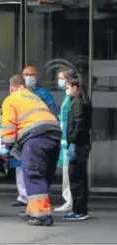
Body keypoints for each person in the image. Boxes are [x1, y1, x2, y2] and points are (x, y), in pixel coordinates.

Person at [0, 74, 62, 226]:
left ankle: (42, 216)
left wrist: (6, 147)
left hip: (35, 137)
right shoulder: (34, 97)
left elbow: (9, 126)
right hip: (54, 134)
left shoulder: (10, 100)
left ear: (12, 88)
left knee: (33, 174)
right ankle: (33, 210)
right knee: (43, 175)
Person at [11, 66, 60, 207]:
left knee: (35, 169)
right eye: (26, 74)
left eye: (31, 74)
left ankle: (36, 201)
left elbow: (52, 112)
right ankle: (23, 197)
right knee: (21, 166)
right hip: (24, 134)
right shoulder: (17, 96)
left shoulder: (43, 94)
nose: (29, 77)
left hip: (36, 135)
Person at [62, 71, 92, 221]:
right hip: (82, 144)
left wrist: (72, 142)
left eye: (68, 85)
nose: (66, 89)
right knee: (79, 178)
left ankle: (78, 210)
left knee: (76, 179)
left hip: (78, 145)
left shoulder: (78, 103)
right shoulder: (83, 101)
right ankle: (81, 209)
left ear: (75, 87)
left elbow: (79, 125)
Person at [54, 68, 74, 213]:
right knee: (67, 173)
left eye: (61, 78)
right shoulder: (68, 97)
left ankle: (69, 201)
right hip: (65, 140)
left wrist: (66, 140)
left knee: (69, 174)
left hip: (68, 140)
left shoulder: (71, 98)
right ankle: (69, 200)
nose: (59, 81)